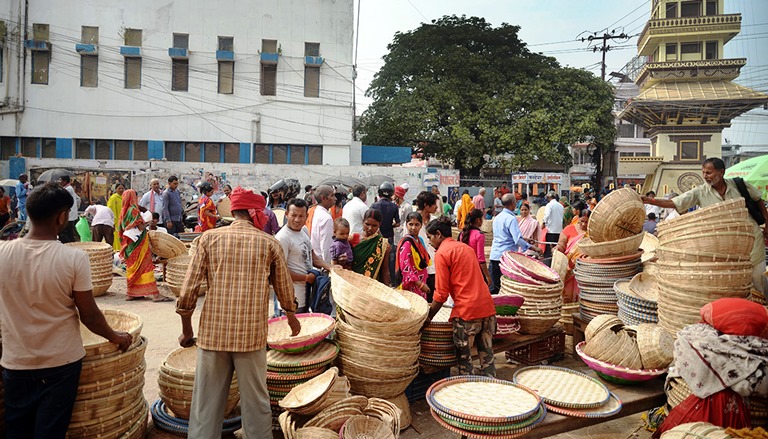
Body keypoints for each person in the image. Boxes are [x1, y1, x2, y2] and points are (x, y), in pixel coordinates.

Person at [0, 182, 132, 438]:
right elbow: (89, 315)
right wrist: (115, 337)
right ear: (62, 217)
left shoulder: (3, 253)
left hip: (16, 362)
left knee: (17, 429)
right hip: (60, 364)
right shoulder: (73, 258)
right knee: (50, 430)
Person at [177, 186, 301, 439]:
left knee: (206, 403)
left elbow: (188, 290)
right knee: (255, 401)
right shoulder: (269, 243)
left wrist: (187, 331)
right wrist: (291, 318)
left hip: (213, 336)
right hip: (250, 337)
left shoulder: (208, 239)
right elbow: (285, 289)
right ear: (255, 213)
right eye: (263, 213)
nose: (266, 217)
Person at [642, 157, 768, 293]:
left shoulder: (739, 185)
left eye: (709, 173)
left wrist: (767, 224)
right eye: (703, 173)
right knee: (735, 281)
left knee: (758, 277)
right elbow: (674, 202)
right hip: (724, 246)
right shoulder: (700, 192)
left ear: (721, 172)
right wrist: (650, 201)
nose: (705, 176)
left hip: (752, 238)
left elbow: (758, 200)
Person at [424, 217, 497, 377]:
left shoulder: (442, 253)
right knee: (487, 354)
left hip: (467, 310)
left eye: (429, 237)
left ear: (438, 234)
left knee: (464, 358)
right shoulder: (465, 248)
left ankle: (466, 386)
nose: (429, 242)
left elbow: (441, 293)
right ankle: (491, 384)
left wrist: (429, 317)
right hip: (486, 306)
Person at [275, 198, 333, 313]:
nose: (297, 220)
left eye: (301, 216)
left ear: (306, 216)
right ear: (286, 214)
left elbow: (313, 257)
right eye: (293, 215)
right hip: (291, 298)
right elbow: (280, 272)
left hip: (306, 294)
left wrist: (330, 267)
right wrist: (305, 278)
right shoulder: (282, 238)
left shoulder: (304, 230)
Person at [119, 189, 169, 302]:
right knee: (145, 266)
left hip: (129, 245)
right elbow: (140, 227)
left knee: (132, 268)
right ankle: (155, 295)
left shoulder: (123, 212)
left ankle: (132, 293)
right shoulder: (134, 211)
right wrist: (147, 222)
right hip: (139, 244)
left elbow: (122, 229)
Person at [489, 193, 531, 294]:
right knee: (507, 287)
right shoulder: (511, 219)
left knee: (494, 288)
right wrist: (532, 247)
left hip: (495, 255)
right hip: (506, 258)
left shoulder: (497, 218)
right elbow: (517, 239)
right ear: (513, 203)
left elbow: (504, 235)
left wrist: (524, 239)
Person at [555, 210, 591, 302]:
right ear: (578, 218)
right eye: (581, 221)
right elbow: (561, 244)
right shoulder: (569, 229)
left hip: (584, 270)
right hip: (568, 268)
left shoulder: (592, 232)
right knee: (567, 293)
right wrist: (557, 249)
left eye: (586, 222)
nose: (583, 224)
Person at [395, 212, 431, 299]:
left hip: (421, 282)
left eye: (417, 224)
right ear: (406, 225)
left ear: (421, 225)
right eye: (410, 224)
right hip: (412, 285)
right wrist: (420, 284)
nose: (413, 228)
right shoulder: (407, 243)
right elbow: (405, 268)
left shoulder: (420, 241)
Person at [351, 209, 391, 285]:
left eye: (374, 225)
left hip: (371, 286)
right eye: (367, 224)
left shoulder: (383, 244)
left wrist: (387, 289)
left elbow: (385, 269)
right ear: (363, 222)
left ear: (379, 224)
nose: (370, 228)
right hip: (353, 282)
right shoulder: (353, 238)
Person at [371, 182, 400, 285]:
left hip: (377, 236)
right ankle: (392, 282)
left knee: (377, 258)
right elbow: (397, 223)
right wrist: (390, 225)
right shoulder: (394, 207)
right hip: (389, 236)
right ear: (392, 193)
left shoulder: (374, 205)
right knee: (391, 261)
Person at [459, 209, 491, 286]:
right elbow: (481, 258)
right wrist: (487, 276)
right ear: (478, 220)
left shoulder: (462, 234)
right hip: (475, 269)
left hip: (464, 268)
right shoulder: (479, 235)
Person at [416, 191, 439, 296]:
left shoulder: (435, 221)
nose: (436, 207)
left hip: (435, 266)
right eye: (434, 204)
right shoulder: (413, 223)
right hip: (419, 268)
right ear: (426, 205)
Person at [311, 185, 336, 265]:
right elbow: (326, 247)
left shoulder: (315, 212)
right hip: (321, 263)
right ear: (324, 199)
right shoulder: (326, 218)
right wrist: (328, 266)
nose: (335, 199)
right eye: (332, 196)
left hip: (315, 260)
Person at [58, 175, 81, 243]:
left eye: (60, 180)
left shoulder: (67, 189)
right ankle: (71, 245)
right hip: (71, 215)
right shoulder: (69, 188)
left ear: (65, 181)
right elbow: (78, 199)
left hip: (68, 216)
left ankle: (68, 245)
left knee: (65, 233)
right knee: (70, 233)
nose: (59, 182)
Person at [542, 191, 564, 257]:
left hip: (551, 230)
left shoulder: (549, 205)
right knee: (556, 248)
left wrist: (543, 223)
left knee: (549, 248)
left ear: (549, 198)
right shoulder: (561, 206)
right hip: (559, 230)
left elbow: (547, 215)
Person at [107, 183, 124, 251]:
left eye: (122, 188)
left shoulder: (124, 197)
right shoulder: (113, 198)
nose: (121, 190)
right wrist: (113, 222)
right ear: (116, 189)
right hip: (116, 222)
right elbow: (110, 210)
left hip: (123, 221)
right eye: (119, 188)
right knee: (116, 237)